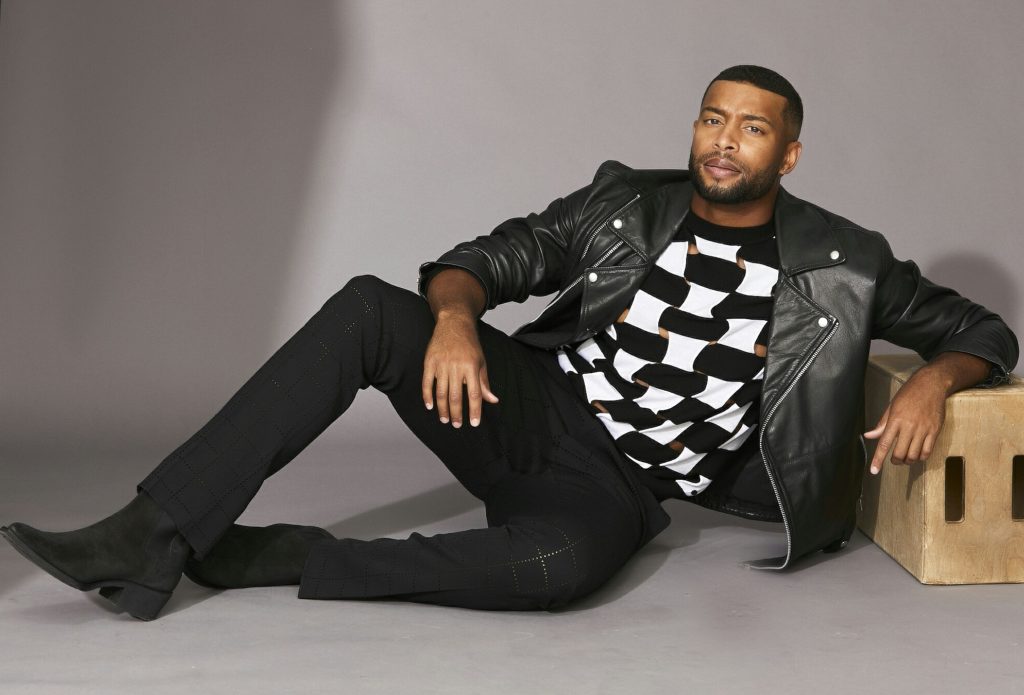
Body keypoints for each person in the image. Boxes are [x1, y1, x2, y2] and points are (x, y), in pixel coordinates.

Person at [3, 65, 1017, 621]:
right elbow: (490, 258)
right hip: (528, 405)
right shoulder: (625, 204)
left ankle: (285, 555)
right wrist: (455, 318)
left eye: (751, 128)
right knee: (367, 308)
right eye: (712, 118)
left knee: (556, 570)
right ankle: (150, 534)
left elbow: (987, 331)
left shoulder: (846, 262)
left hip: (622, 486)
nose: (722, 139)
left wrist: (935, 376)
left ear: (788, 153)